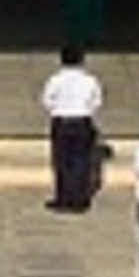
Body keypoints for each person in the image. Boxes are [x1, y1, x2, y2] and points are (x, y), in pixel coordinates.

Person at [40, 48, 106, 214]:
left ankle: (64, 197)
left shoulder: (55, 80)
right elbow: (96, 101)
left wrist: (58, 110)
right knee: (81, 161)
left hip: (62, 121)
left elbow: (46, 100)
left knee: (62, 161)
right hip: (82, 120)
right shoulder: (89, 80)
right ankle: (80, 199)